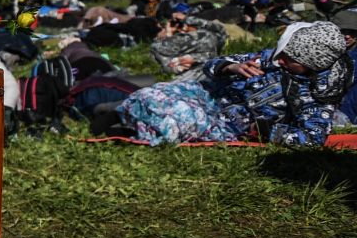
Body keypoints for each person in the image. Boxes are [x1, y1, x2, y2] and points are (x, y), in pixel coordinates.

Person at [118, 21, 349, 147]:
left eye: (289, 59)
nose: (280, 60)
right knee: (153, 93)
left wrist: (267, 131)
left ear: (310, 62)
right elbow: (212, 65)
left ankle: (122, 122)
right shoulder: (276, 59)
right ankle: (123, 113)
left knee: (172, 121)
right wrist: (231, 67)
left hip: (226, 125)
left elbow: (312, 138)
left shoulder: (319, 97)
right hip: (208, 95)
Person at [150, 9, 227, 77]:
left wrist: (167, 34)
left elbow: (157, 48)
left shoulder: (183, 39)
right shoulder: (214, 36)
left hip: (185, 74)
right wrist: (186, 18)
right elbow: (220, 29)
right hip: (205, 67)